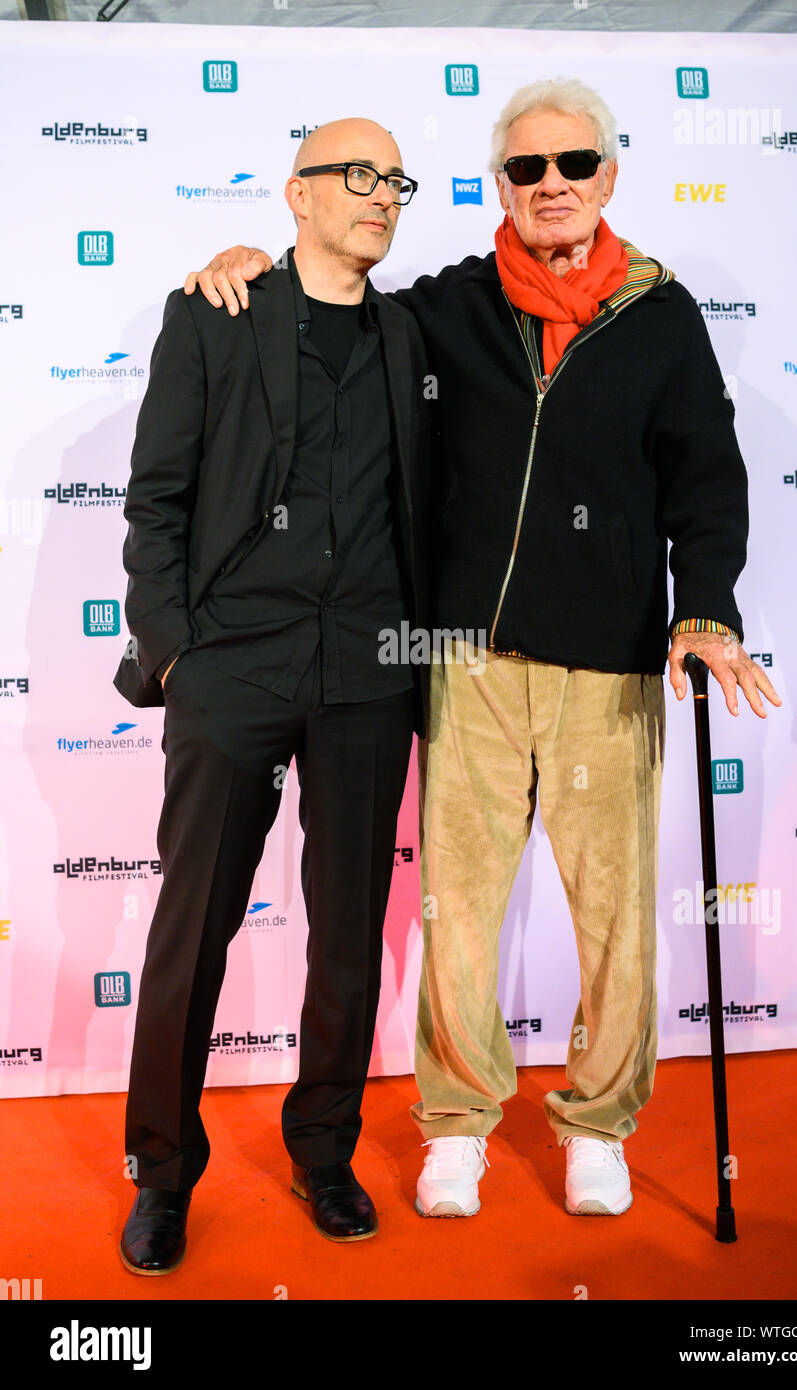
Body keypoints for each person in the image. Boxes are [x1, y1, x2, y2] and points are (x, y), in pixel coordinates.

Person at [184, 77, 781, 1224]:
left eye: (573, 165)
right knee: (458, 908)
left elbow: (708, 478)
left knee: (614, 917)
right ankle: (456, 1120)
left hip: (608, 672)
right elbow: (334, 303)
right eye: (526, 168)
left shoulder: (663, 317)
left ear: (609, 175)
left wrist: (704, 608)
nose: (550, 185)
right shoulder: (448, 306)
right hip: (464, 663)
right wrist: (250, 261)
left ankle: (599, 1121)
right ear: (499, 184)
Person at [113, 117, 430, 1272]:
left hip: (368, 674)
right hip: (232, 665)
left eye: (395, 180)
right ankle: (159, 1172)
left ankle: (324, 1149)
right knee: (192, 930)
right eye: (357, 175)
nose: (381, 195)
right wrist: (176, 649)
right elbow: (156, 496)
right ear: (295, 196)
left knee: (348, 932)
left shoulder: (414, 330)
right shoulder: (214, 311)